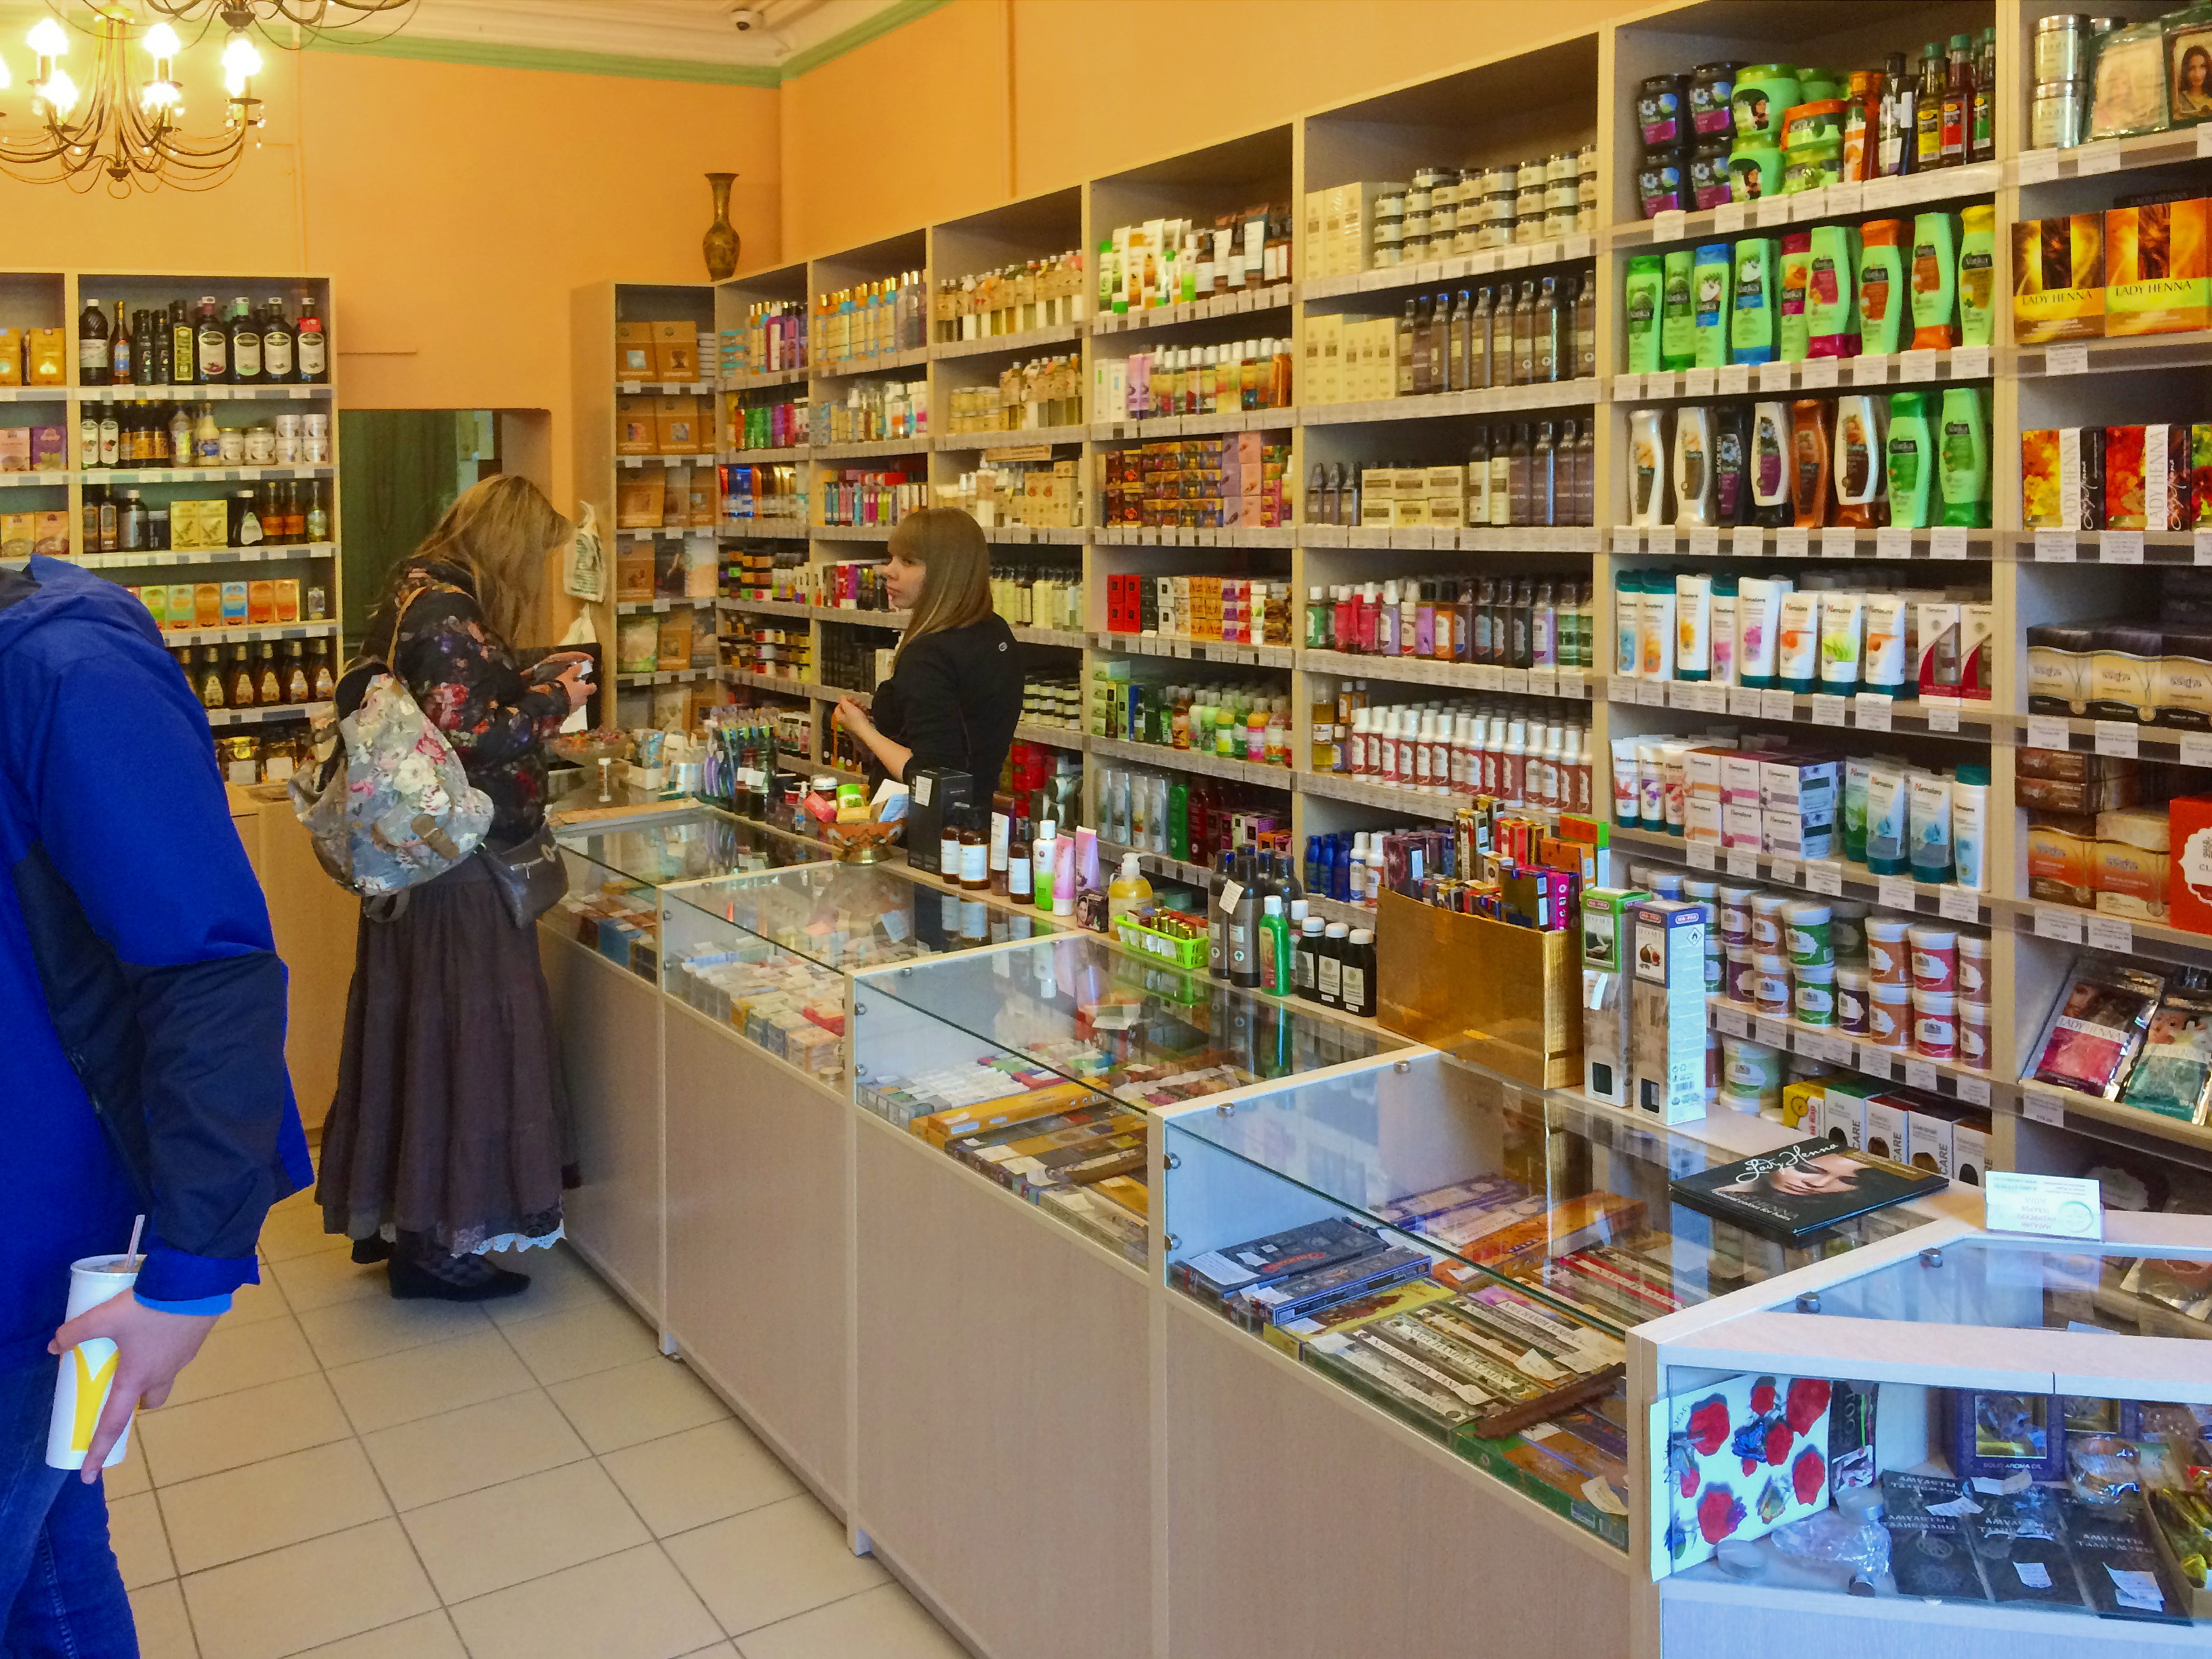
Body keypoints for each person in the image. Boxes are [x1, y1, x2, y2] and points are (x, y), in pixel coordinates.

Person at [0, 554, 310, 1650]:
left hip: (32, 1259)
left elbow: (210, 972)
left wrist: (191, 1277)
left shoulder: (64, 669)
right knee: (52, 1559)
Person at [316, 476, 592, 1301]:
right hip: (456, 866)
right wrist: (556, 697)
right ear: (511, 545)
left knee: (417, 1041)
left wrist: (526, 673)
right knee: (468, 1044)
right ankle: (442, 1243)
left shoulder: (419, 593)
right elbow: (466, 737)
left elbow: (448, 701)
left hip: (421, 865)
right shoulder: (447, 611)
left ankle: (411, 1221)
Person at [832, 508, 1023, 798]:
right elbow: (962, 738)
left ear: (946, 572)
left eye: (908, 562)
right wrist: (867, 734)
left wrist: (863, 730)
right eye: (892, 557)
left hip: (923, 820)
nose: (887, 571)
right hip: (976, 810)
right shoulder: (994, 630)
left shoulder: (929, 655)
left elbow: (932, 776)